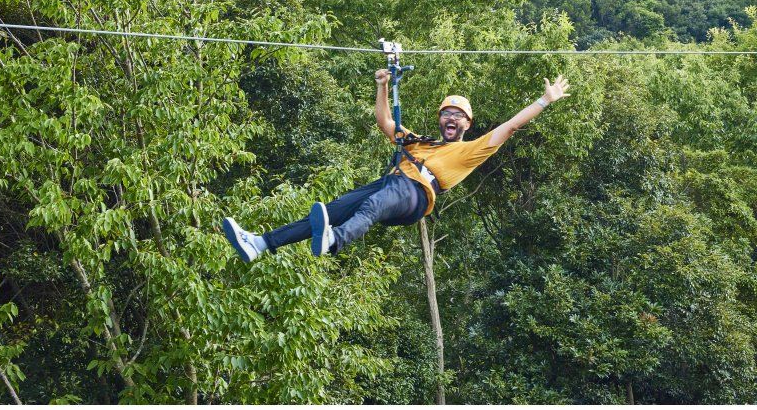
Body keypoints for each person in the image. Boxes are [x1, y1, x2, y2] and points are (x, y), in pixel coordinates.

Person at [222, 69, 571, 262]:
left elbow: (510, 126)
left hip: (416, 194)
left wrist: (544, 100)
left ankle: (334, 242)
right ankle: (261, 244)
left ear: (467, 124)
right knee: (330, 210)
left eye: (458, 116)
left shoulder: (471, 150)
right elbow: (385, 123)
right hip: (390, 183)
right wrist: (383, 86)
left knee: (372, 206)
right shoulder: (420, 142)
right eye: (446, 114)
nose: (451, 119)